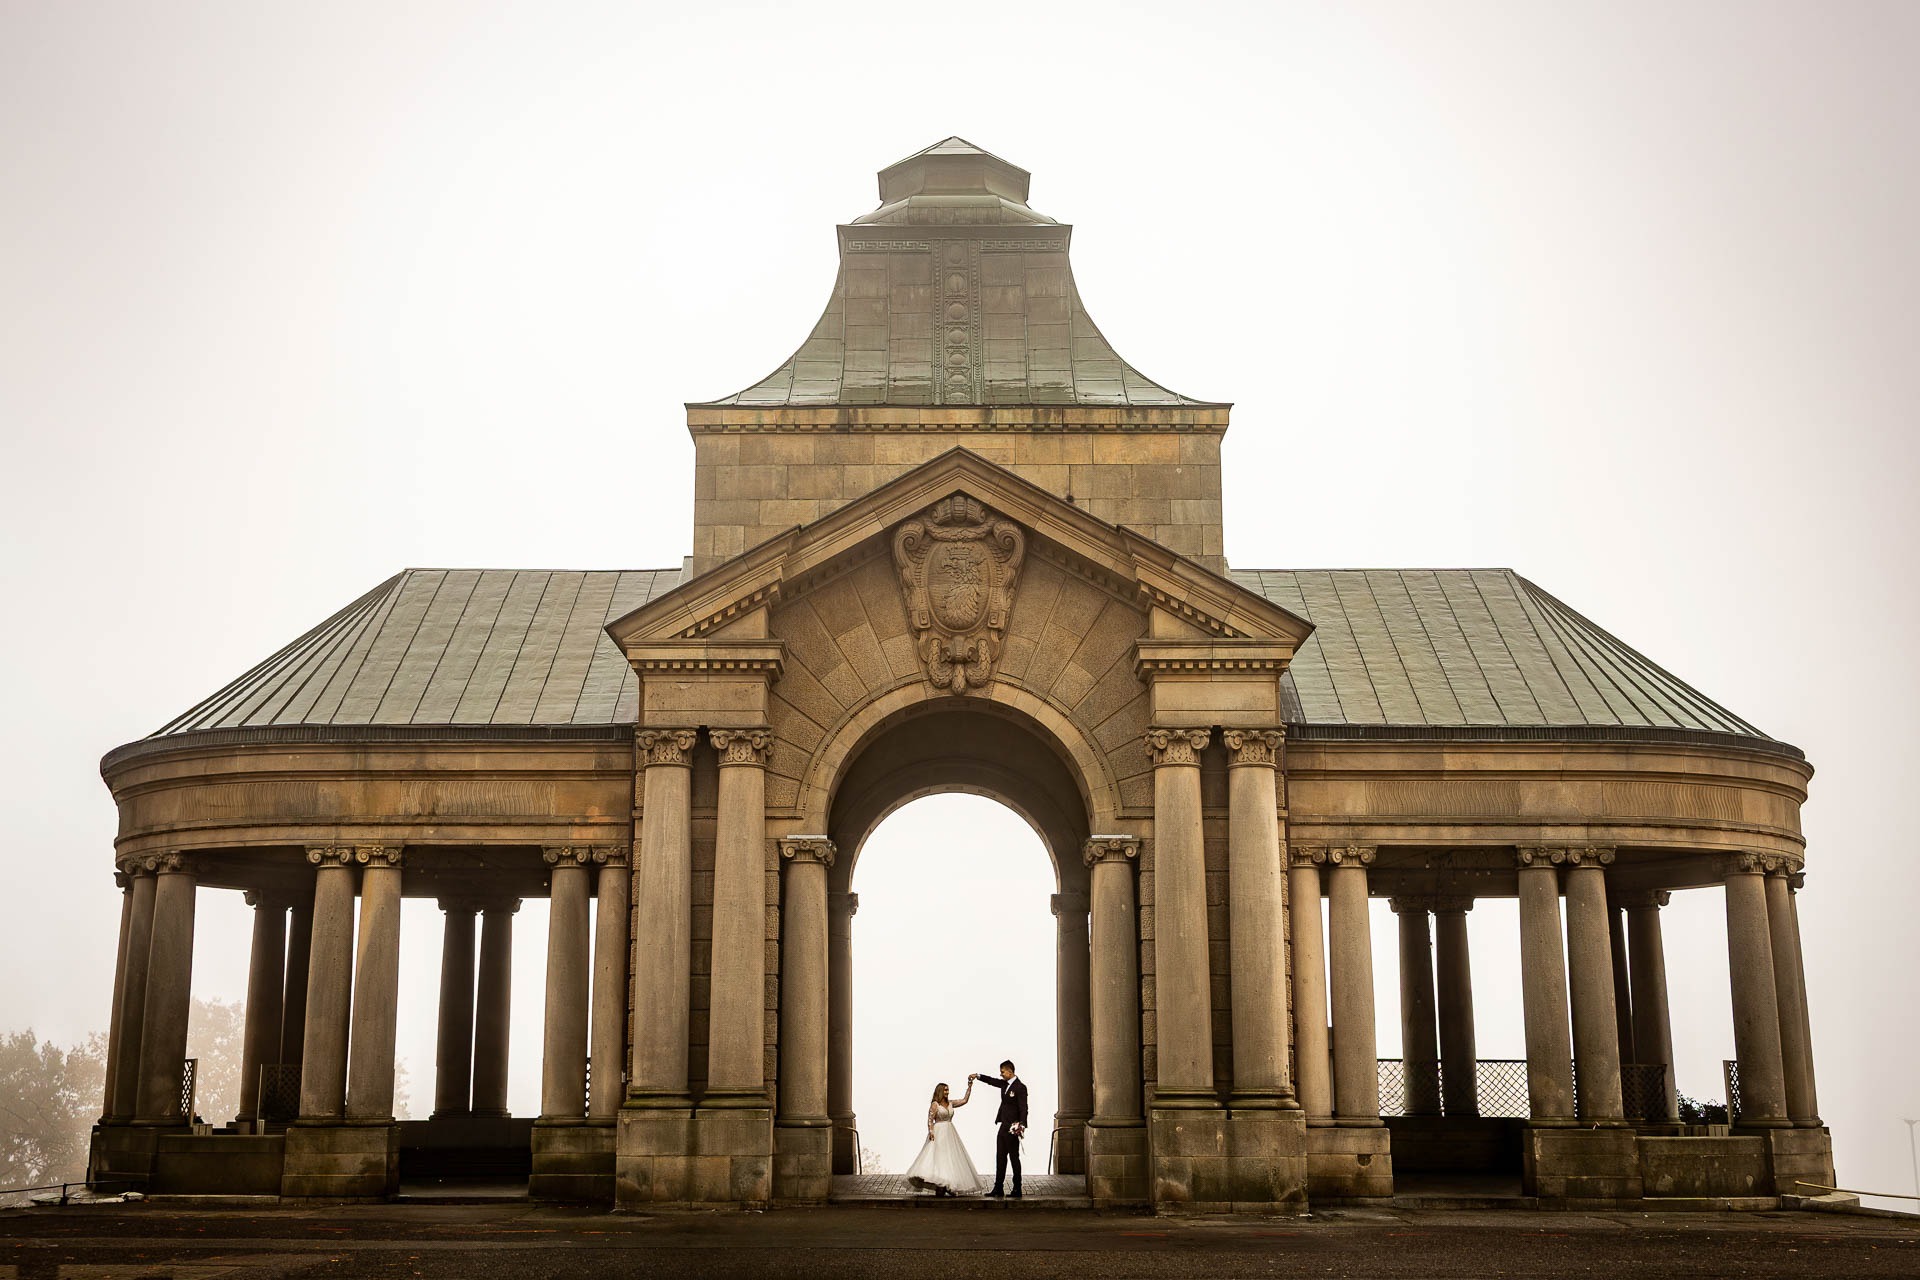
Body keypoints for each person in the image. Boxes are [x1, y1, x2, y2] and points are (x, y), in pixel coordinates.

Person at [903, 1079, 984, 1197]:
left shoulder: (950, 1103)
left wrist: (969, 1088)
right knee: (939, 1158)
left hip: (950, 1131)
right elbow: (930, 1119)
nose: (947, 1092)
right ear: (940, 1091)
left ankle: (948, 1185)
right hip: (939, 1132)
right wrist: (931, 1132)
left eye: (948, 1090)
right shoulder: (935, 1104)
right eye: (945, 1090)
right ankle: (940, 1185)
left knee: (950, 1158)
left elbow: (964, 1100)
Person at [970, 1059, 1028, 1198]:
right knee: (1000, 1157)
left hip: (1013, 1128)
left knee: (1014, 1158)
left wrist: (1022, 1124)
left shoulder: (1020, 1087)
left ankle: (1017, 1188)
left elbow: (1023, 1107)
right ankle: (998, 1188)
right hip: (1003, 1126)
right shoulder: (1004, 1084)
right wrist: (978, 1076)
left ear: (1010, 1071)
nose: (1001, 1074)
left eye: (1002, 1072)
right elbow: (992, 1081)